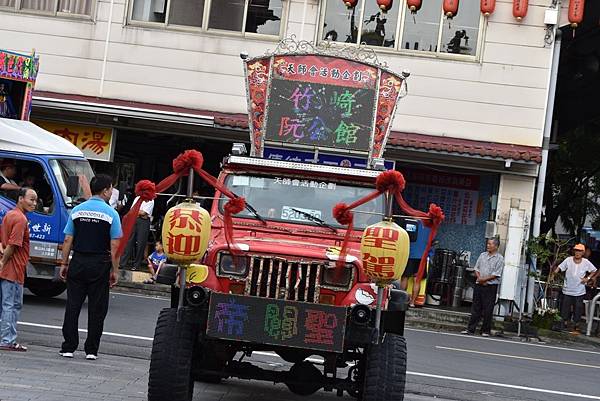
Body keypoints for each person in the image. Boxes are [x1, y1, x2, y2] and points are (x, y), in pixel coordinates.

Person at [59, 174, 122, 360]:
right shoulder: (112, 214)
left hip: (78, 261)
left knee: (73, 305)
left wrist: (64, 263)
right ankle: (91, 350)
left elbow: (68, 239)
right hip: (99, 264)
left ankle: (68, 346)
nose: (112, 192)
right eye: (111, 189)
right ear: (104, 191)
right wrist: (115, 270)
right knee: (97, 308)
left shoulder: (77, 210)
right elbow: (115, 245)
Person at [0, 187, 38, 351]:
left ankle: (6, 338)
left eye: (36, 200)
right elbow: (13, 245)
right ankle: (7, 340)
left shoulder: (10, 214)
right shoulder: (21, 219)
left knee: (7, 304)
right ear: (20, 199)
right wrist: (4, 261)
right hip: (14, 268)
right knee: (12, 305)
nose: (34, 203)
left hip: (10, 267)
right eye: (31, 199)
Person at [462, 237, 504, 336]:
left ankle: (485, 330)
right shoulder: (482, 255)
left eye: (490, 244)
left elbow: (496, 274)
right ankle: (470, 329)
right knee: (476, 307)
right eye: (488, 244)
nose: (488, 246)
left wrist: (484, 280)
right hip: (479, 284)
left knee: (488, 309)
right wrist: (480, 278)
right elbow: (476, 268)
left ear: (496, 246)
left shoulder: (499, 258)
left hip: (490, 286)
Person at [553, 243, 598, 334]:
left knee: (578, 309)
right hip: (567, 290)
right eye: (576, 250)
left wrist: (587, 278)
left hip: (579, 291)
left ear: (583, 252)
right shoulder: (568, 260)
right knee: (565, 309)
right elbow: (559, 267)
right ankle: (564, 324)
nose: (577, 253)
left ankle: (576, 326)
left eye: (580, 251)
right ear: (574, 251)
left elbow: (594, 270)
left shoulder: (586, 262)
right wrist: (553, 275)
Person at [119, 195, 154, 270]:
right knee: (129, 241)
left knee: (141, 243)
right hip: (134, 220)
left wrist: (136, 212)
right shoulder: (137, 198)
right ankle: (122, 263)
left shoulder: (150, 200)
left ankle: (136, 265)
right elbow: (132, 210)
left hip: (143, 222)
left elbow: (144, 213)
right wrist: (137, 212)